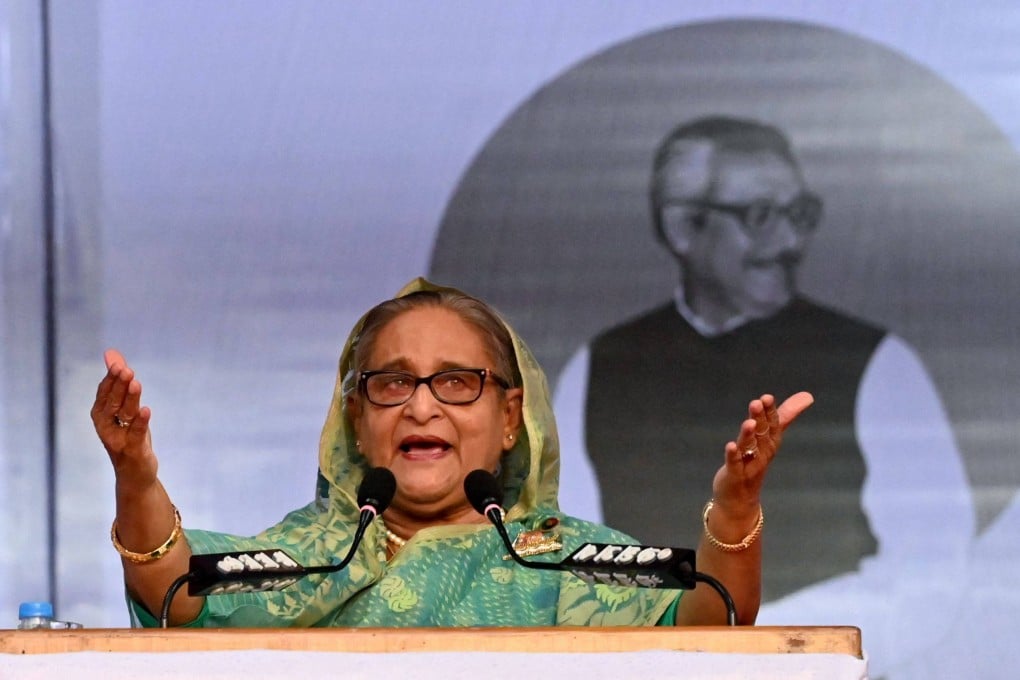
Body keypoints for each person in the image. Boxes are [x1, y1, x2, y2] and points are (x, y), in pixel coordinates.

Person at [91, 277, 812, 627]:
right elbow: (174, 589)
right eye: (393, 382)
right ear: (355, 414)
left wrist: (735, 506)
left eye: (457, 383)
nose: (422, 404)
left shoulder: (562, 563)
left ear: (508, 418)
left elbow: (711, 621)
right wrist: (135, 473)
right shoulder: (313, 558)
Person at [552, 117, 974, 672]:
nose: (790, 242)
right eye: (761, 217)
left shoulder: (876, 360)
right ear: (683, 228)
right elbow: (568, 567)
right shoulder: (597, 368)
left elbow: (932, 572)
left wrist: (758, 651)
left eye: (800, 215)